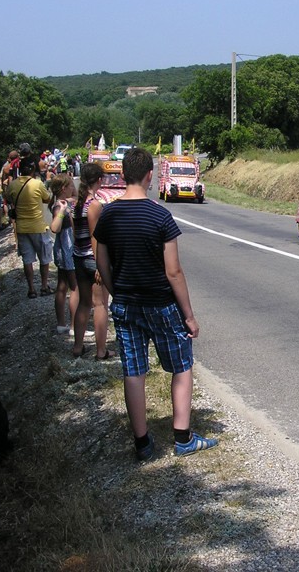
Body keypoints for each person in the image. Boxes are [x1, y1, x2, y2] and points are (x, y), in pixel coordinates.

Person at [95, 147, 218, 461]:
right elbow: (173, 271)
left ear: (123, 175)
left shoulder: (108, 214)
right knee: (181, 366)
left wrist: (116, 292)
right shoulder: (160, 215)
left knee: (134, 372)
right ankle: (183, 438)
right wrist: (189, 316)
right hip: (161, 305)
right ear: (150, 175)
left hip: (125, 305)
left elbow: (102, 263)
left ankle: (143, 444)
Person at [71, 163, 113, 360]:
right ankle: (101, 351)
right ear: (99, 180)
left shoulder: (76, 204)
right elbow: (95, 236)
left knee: (84, 304)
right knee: (100, 304)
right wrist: (100, 264)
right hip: (91, 258)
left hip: (78, 257)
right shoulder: (94, 204)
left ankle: (78, 347)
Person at [4, 154, 53, 298]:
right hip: (38, 226)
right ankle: (44, 286)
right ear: (33, 169)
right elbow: (47, 198)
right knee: (44, 259)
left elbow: (8, 197)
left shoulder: (13, 185)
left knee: (27, 260)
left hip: (21, 228)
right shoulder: (37, 184)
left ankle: (31, 289)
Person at [48, 174, 79, 334]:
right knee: (75, 287)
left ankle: (61, 324)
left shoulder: (60, 202)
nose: (74, 187)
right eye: (71, 185)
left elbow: (75, 197)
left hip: (61, 249)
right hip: (68, 248)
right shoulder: (59, 206)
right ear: (63, 188)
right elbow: (55, 227)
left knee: (62, 286)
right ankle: (75, 326)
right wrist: (62, 211)